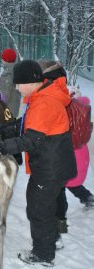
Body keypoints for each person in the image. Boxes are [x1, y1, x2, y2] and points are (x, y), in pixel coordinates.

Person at [0, 60, 77, 266]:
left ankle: (43, 255)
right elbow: (24, 124)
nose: (17, 88)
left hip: (50, 167)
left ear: (30, 81)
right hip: (54, 164)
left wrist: (0, 148)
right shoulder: (41, 96)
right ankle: (52, 240)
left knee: (39, 210)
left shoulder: (44, 102)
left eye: (18, 84)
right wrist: (1, 132)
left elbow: (30, 140)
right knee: (46, 206)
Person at [37, 60, 94, 233]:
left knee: (60, 186)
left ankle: (59, 221)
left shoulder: (58, 103)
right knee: (69, 183)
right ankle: (87, 199)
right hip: (79, 151)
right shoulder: (79, 107)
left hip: (64, 153)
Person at [0, 48, 21, 117]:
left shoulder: (7, 74)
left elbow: (4, 94)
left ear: (6, 60)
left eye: (2, 58)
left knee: (6, 127)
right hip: (14, 108)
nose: (1, 60)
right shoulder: (17, 71)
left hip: (7, 110)